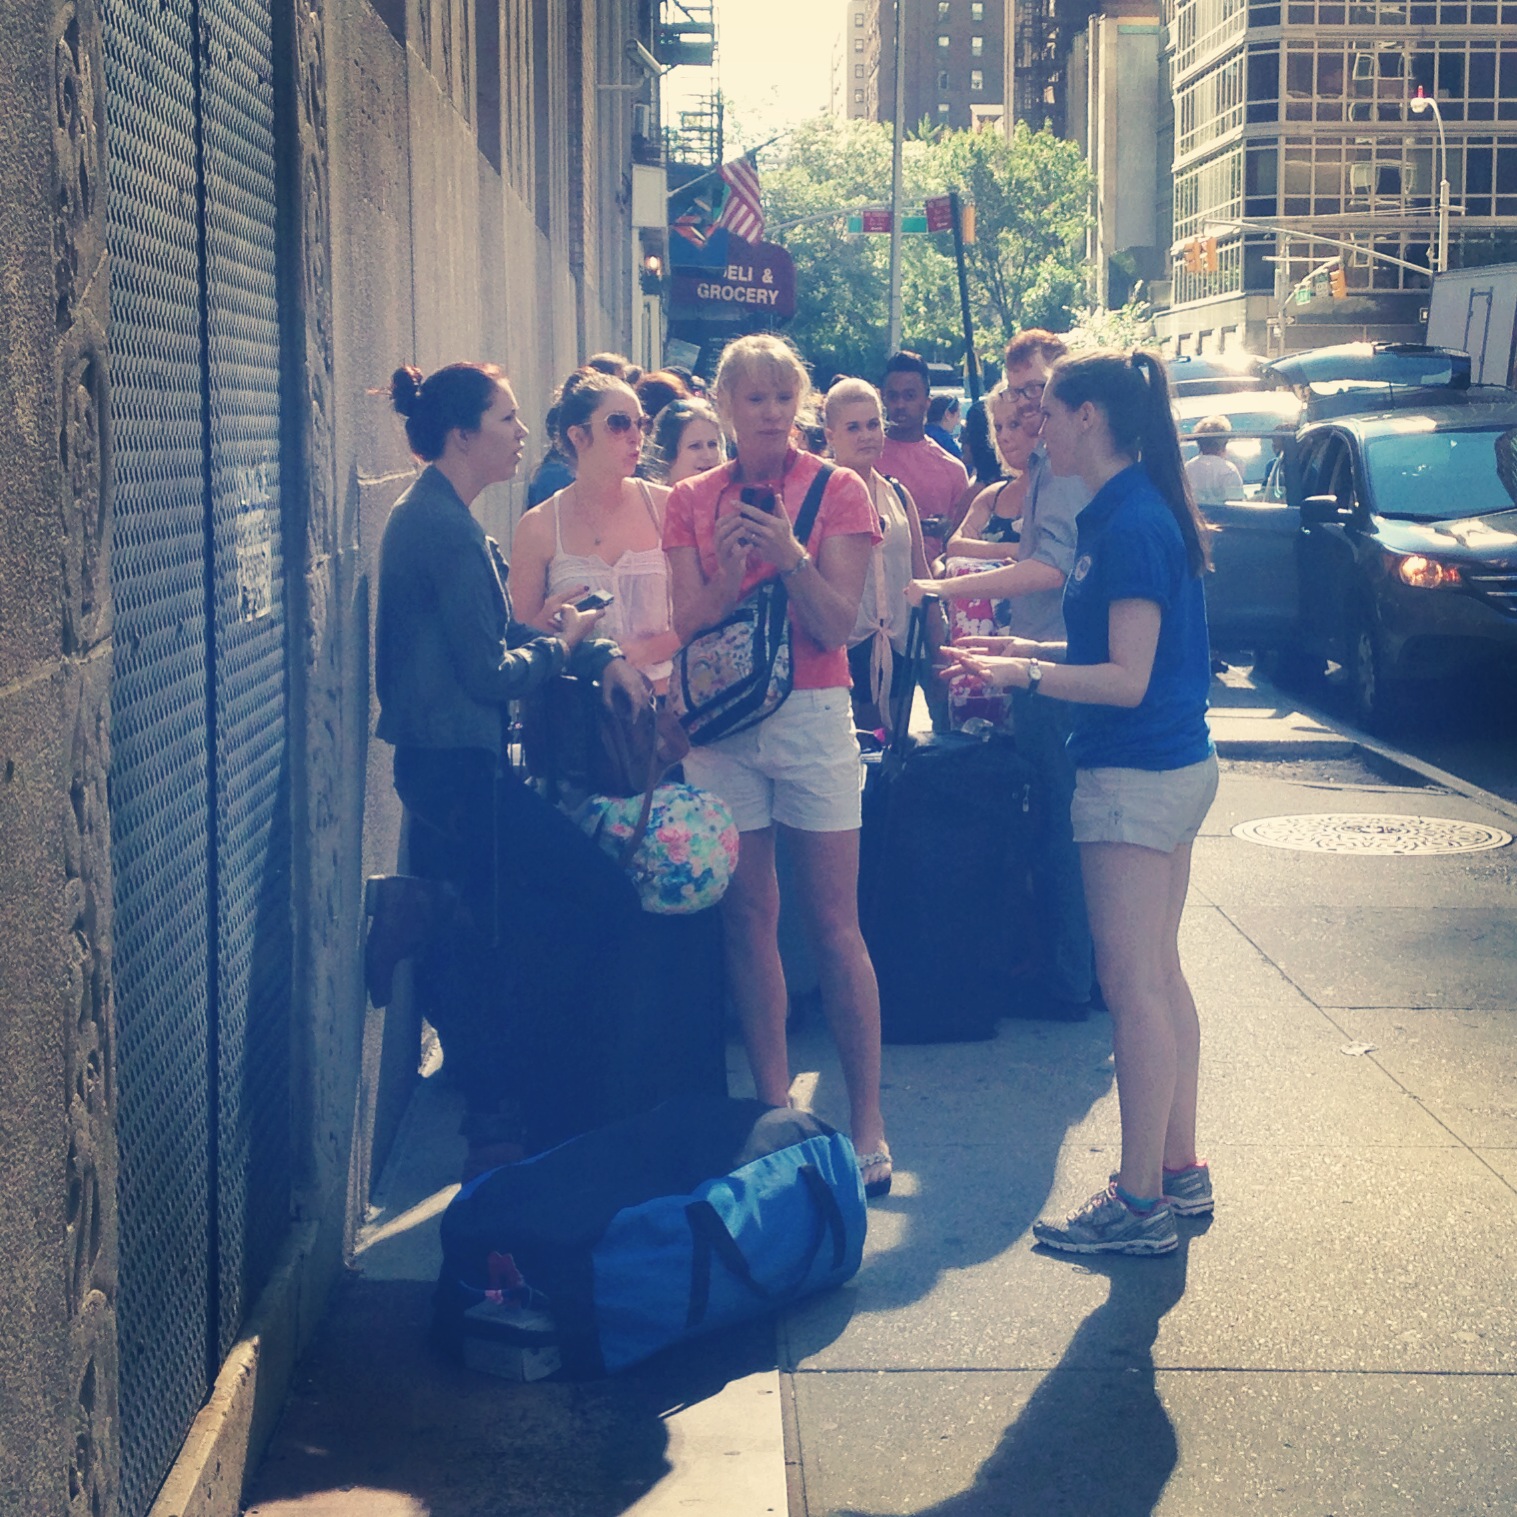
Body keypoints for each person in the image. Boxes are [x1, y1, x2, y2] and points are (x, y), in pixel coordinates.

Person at [942, 347, 1217, 1257]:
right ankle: (1176, 1171)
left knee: (1133, 988)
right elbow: (1112, 652)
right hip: (1167, 768)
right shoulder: (1131, 509)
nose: (1035, 429)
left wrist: (1024, 669)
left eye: (1048, 412)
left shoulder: (1127, 522)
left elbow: (1127, 679)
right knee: (1158, 976)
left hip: (1134, 776)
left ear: (1090, 417)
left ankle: (1140, 1203)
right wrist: (1017, 663)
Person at [373, 361, 650, 1172]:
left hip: (452, 767)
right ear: (463, 436)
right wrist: (562, 642)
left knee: (496, 931)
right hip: (457, 770)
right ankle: (508, 1118)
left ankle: (507, 1114)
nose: (522, 433)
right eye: (506, 419)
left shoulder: (439, 517)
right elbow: (489, 674)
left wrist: (572, 644)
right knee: (587, 899)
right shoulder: (445, 528)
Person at [663, 333, 892, 1197]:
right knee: (745, 916)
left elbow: (838, 626)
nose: (766, 412)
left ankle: (865, 1118)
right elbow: (688, 620)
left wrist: (789, 556)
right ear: (721, 406)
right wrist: (726, 565)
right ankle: (773, 1112)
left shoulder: (839, 489)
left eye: (778, 396)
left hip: (809, 711)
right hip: (722, 722)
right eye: (749, 397)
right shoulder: (688, 498)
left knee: (835, 921)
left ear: (799, 403)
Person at [908, 328, 1097, 1023]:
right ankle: (1078, 974)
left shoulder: (1068, 463)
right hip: (1043, 655)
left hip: (1062, 665)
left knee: (1061, 829)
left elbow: (1051, 565)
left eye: (1036, 388)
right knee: (1059, 823)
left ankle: (1069, 981)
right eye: (1016, 391)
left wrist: (943, 591)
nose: (1025, 404)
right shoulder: (1044, 462)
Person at [511, 369, 680, 691]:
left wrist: (648, 650)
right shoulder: (540, 525)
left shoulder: (666, 506)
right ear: (578, 436)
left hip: (665, 709)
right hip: (578, 716)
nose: (635, 435)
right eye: (619, 423)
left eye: (641, 423)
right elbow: (521, 642)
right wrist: (544, 625)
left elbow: (698, 613)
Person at [825, 376, 933, 733]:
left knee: (895, 758)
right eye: (853, 427)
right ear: (830, 436)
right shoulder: (817, 498)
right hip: (843, 650)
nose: (866, 435)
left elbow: (922, 576)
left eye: (873, 424)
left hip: (900, 647)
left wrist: (939, 645)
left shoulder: (900, 497)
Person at [878, 351, 970, 553]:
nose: (900, 405)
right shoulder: (867, 458)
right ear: (884, 400)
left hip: (931, 579)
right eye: (893, 396)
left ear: (926, 402)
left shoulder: (952, 469)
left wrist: (947, 529)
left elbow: (964, 539)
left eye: (910, 396)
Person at [646, 396, 725, 486]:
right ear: (667, 455)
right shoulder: (647, 498)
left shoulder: (735, 498)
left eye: (712, 444)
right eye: (695, 446)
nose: (708, 455)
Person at [1184, 415, 1246, 505]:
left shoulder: (1187, 469)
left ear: (1199, 443)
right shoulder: (1228, 470)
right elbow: (1237, 506)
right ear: (1224, 442)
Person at [926, 392, 964, 459]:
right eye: (957, 416)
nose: (958, 423)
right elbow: (962, 466)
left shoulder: (920, 435)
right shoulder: (946, 442)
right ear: (948, 414)